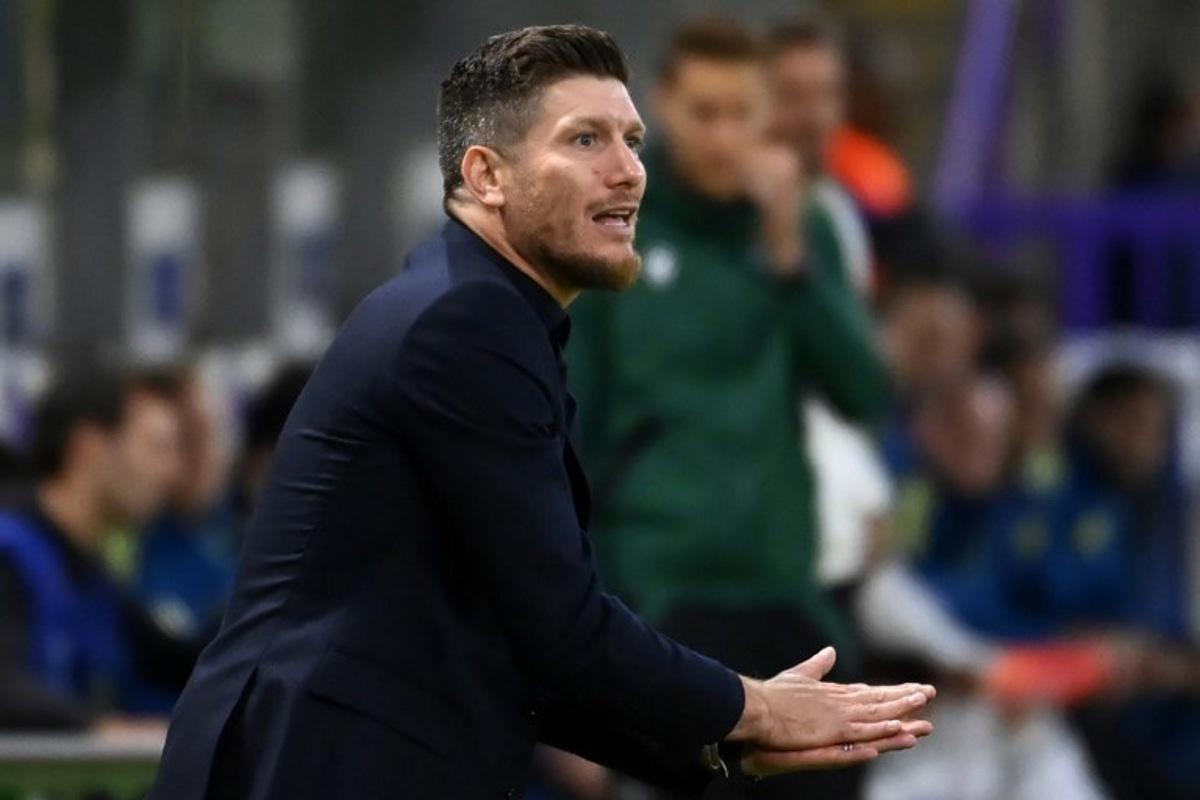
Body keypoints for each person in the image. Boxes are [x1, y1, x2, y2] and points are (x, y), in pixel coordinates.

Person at [150, 25, 934, 800]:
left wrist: (727, 744)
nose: (628, 171)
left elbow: (517, 635)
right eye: (586, 140)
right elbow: (561, 630)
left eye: (632, 141)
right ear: (487, 175)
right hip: (306, 766)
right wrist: (753, 708)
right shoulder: (465, 325)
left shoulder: (481, 308)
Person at [567, 18, 892, 800]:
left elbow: (865, 391)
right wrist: (573, 652)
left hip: (781, 585)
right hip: (658, 592)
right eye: (703, 112)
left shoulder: (801, 225)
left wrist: (788, 257)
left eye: (741, 113)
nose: (722, 136)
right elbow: (570, 438)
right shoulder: (609, 229)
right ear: (662, 107)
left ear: (766, 116)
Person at [0, 364, 197, 730]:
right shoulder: (10, 551)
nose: (172, 472)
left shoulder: (95, 578)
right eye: (156, 448)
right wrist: (99, 731)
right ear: (89, 447)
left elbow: (181, 663)